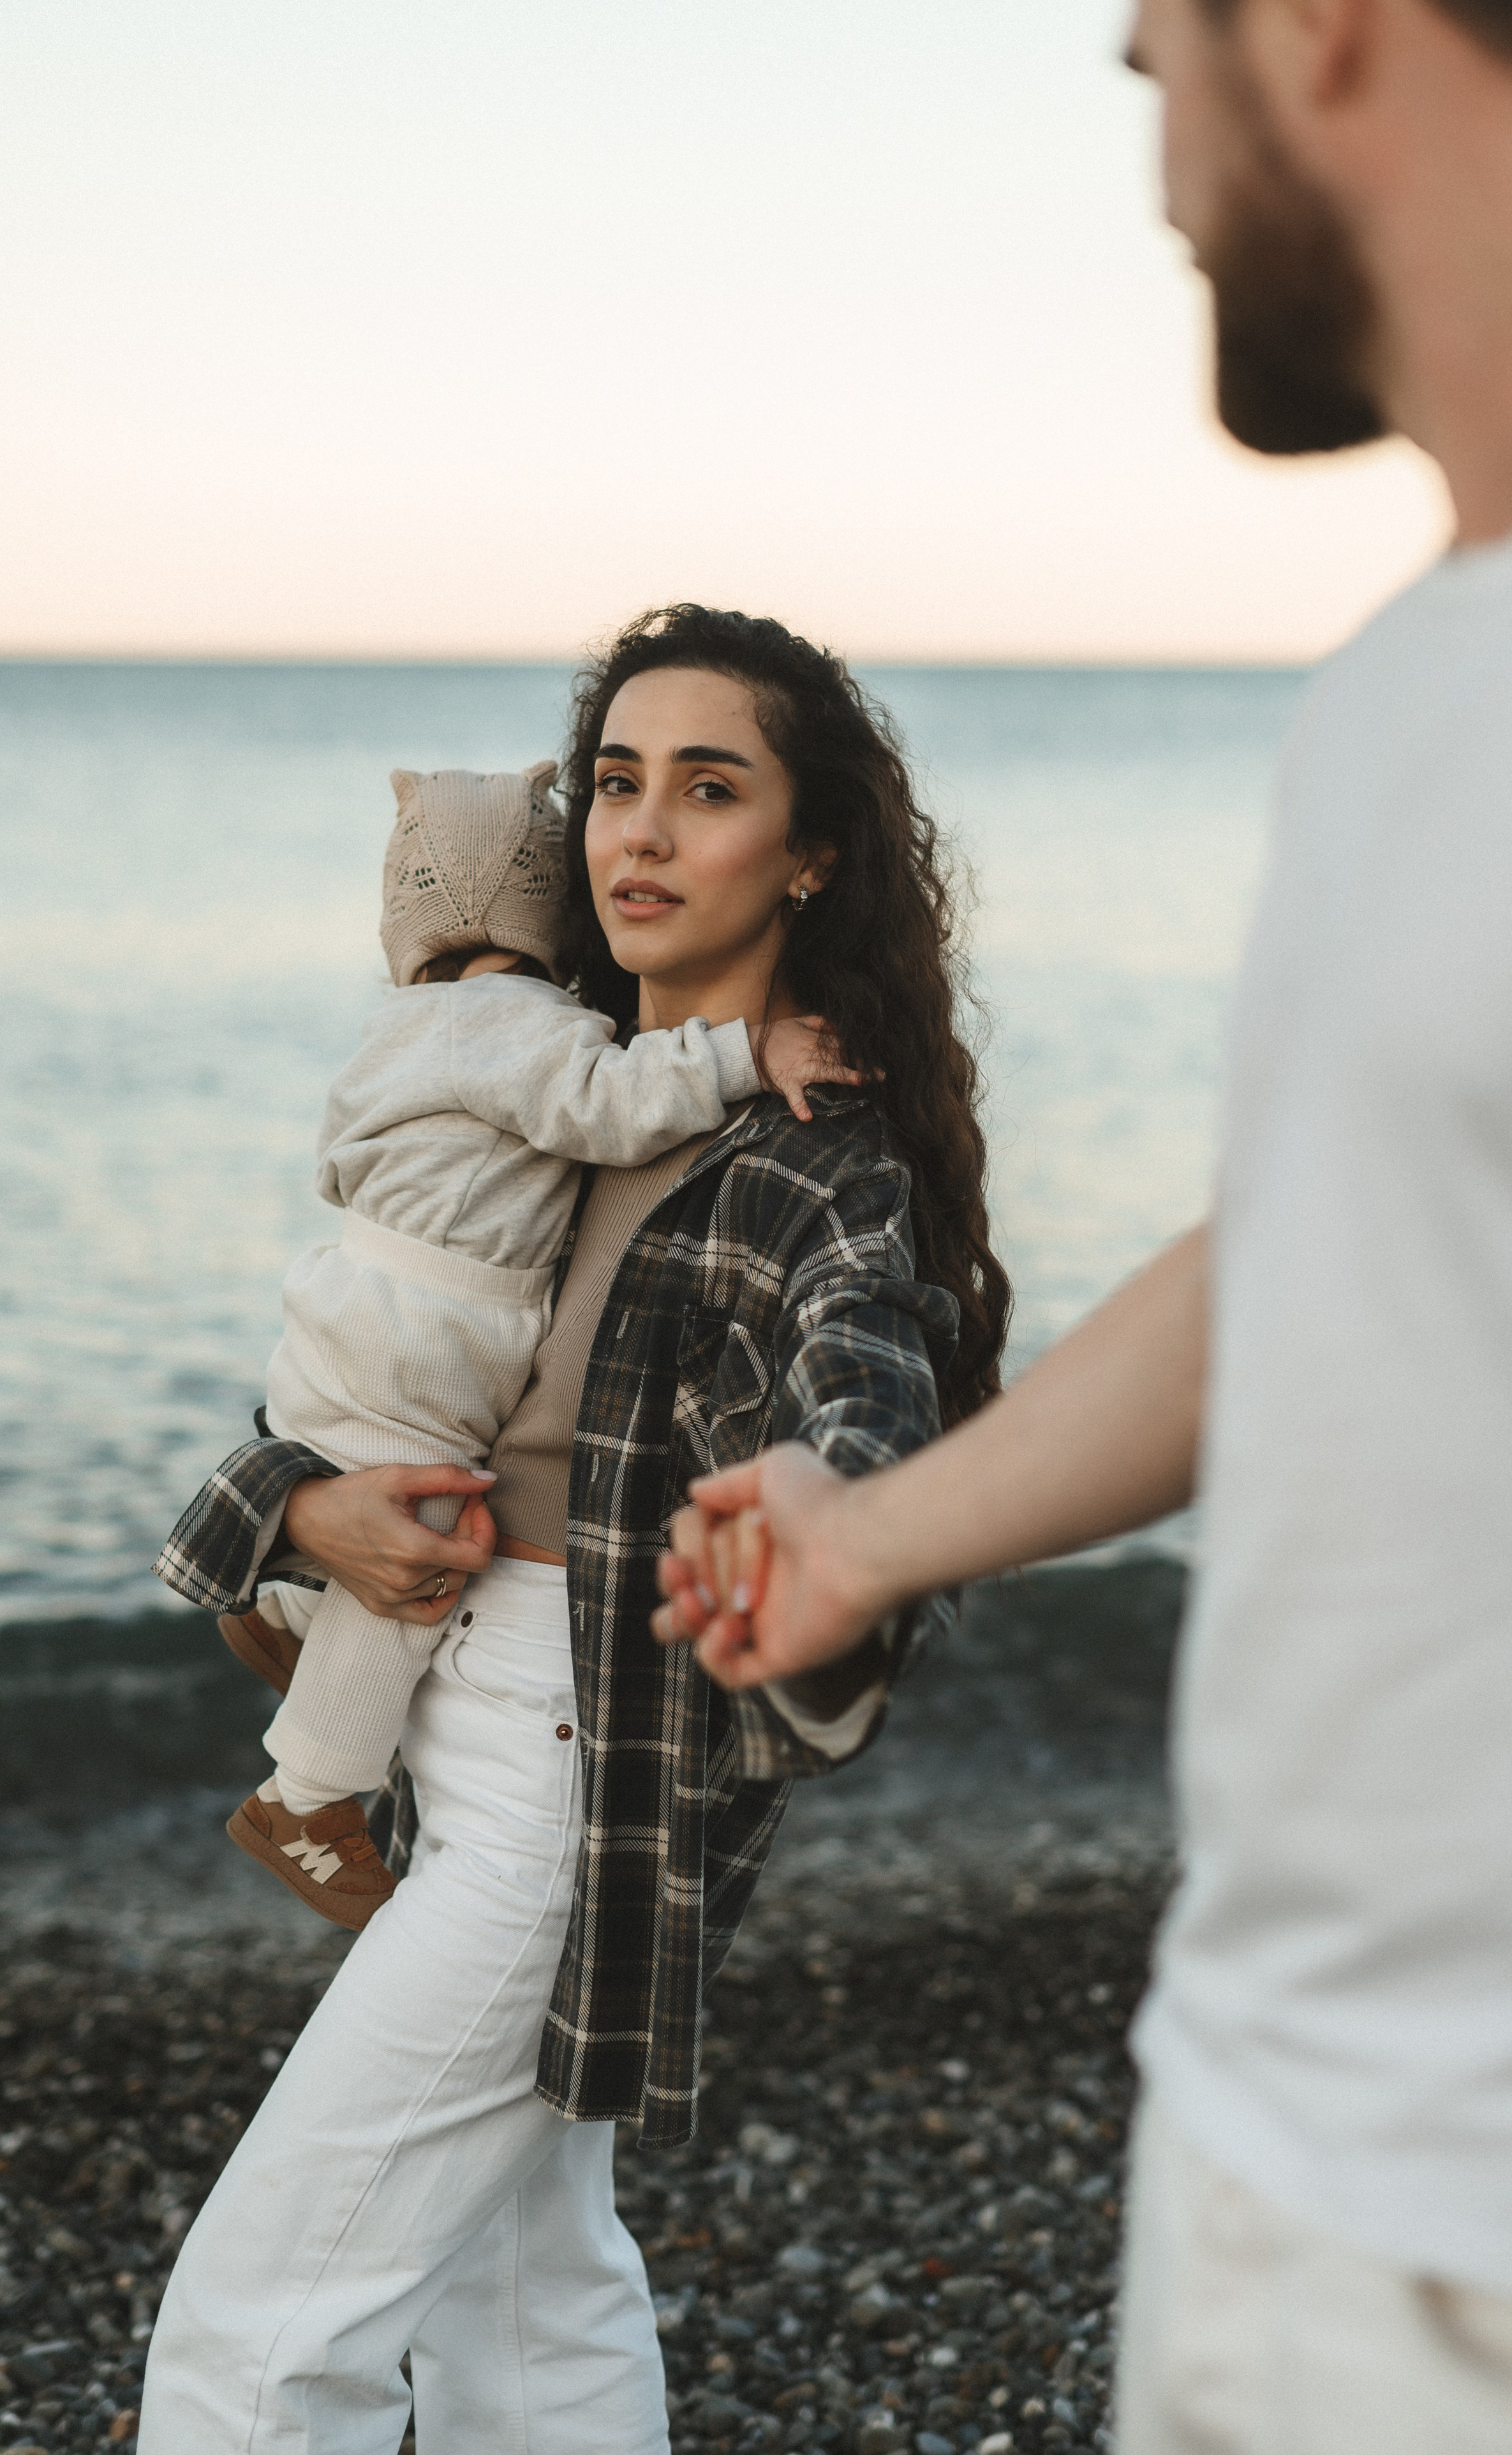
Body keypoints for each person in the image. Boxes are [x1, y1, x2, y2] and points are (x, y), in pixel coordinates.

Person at [656, 4, 1512, 2448]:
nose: (1139, 86)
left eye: (1158, 32)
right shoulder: (1406, 695)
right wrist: (864, 1535)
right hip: (1279, 2141)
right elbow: (1318, 1269)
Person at [137, 602, 1010, 2454]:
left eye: (710, 789)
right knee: (517, 2297)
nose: (642, 832)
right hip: (444, 1723)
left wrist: (829, 1513)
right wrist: (308, 1502)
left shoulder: (809, 1156)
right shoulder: (537, 1088)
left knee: (260, 2328)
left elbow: (874, 1395)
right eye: (617, 784)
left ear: (813, 846)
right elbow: (352, 1372)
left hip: (573, 1761)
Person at [182, 757, 852, 1930]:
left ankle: (286, 1613)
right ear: (543, 904)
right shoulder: (515, 1024)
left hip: (347, 1301)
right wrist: (748, 1053)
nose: (639, 840)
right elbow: (609, 1102)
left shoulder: (399, 1030)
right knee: (421, 1545)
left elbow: (337, 1163)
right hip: (427, 1336)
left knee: (362, 1502)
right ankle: (308, 1796)